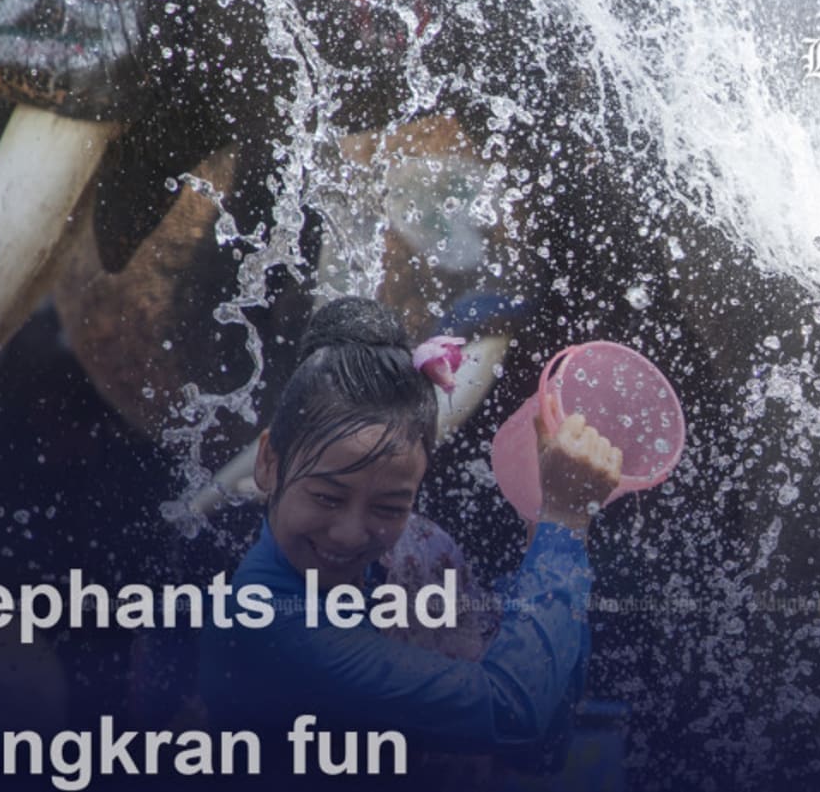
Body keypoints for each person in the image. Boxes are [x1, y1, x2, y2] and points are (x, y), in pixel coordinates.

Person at [199, 296, 622, 785]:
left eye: (388, 507)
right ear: (269, 462)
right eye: (327, 498)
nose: (352, 533)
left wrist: (544, 532)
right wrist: (564, 525)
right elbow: (513, 715)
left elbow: (541, 739)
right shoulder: (265, 625)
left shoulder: (421, 552)